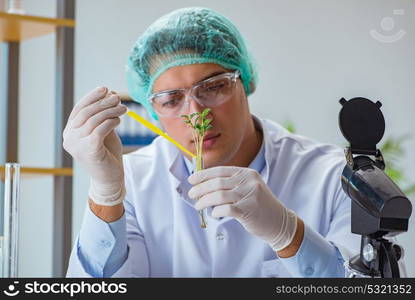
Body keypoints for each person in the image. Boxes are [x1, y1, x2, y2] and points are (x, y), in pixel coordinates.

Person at [63, 7, 404, 277]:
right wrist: (106, 193)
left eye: (213, 87)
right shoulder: (134, 182)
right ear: (152, 111)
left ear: (245, 81)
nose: (197, 113)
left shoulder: (333, 177)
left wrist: (289, 234)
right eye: (170, 99)